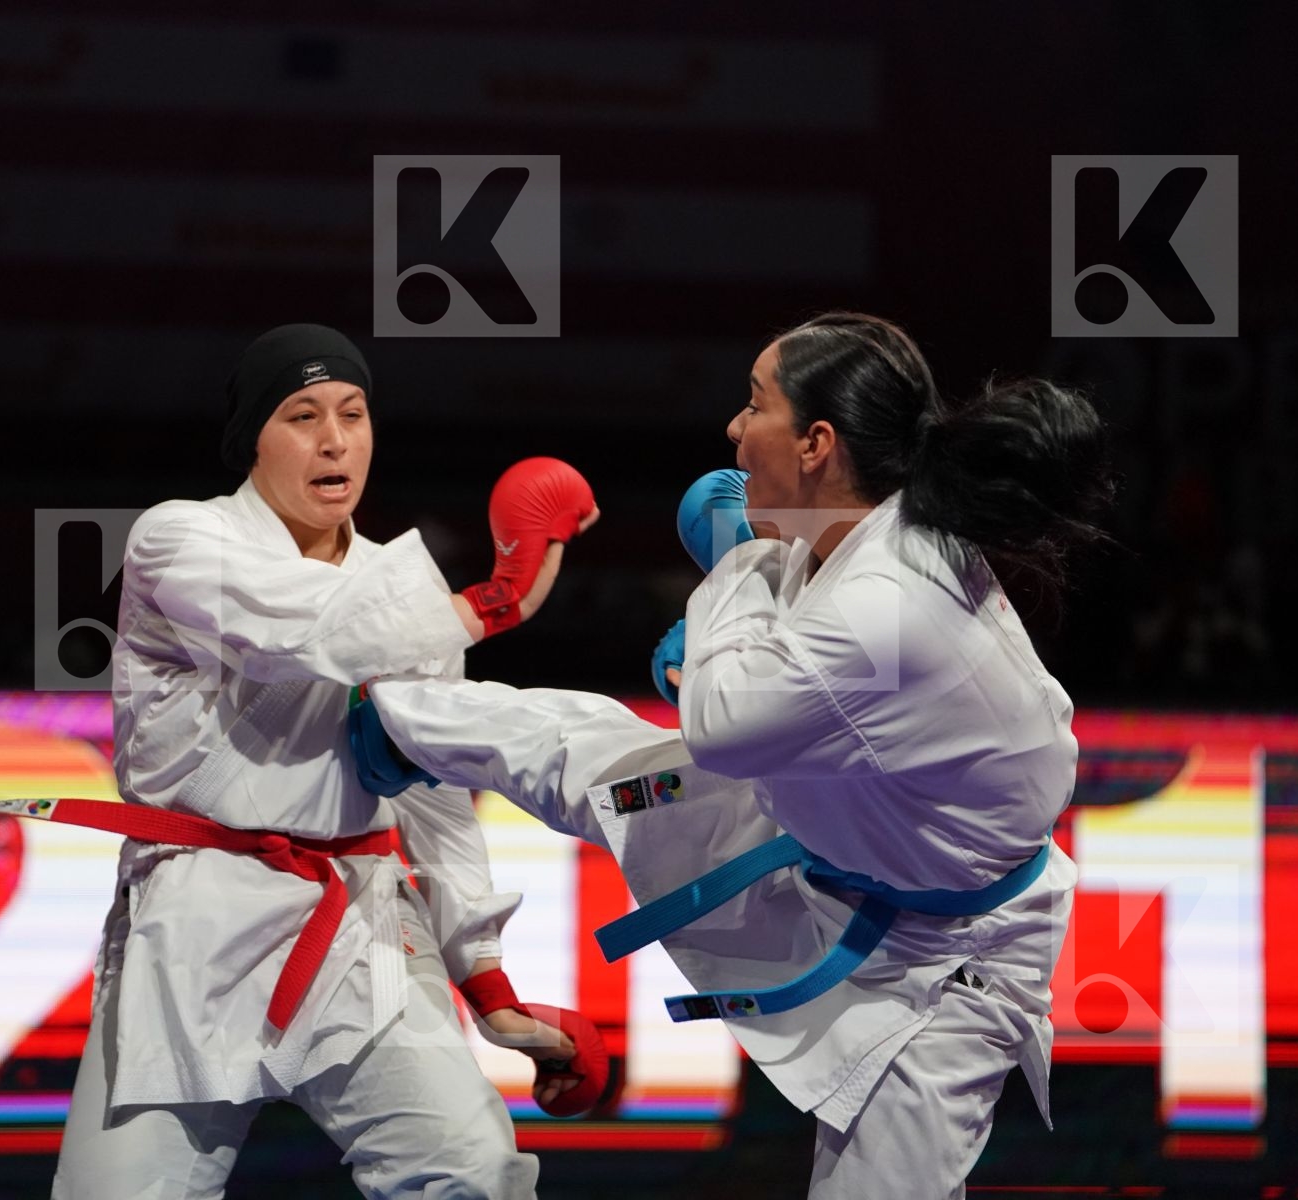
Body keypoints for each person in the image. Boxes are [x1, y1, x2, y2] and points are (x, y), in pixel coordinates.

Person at [351, 312, 1114, 1199]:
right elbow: (759, 685)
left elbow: (719, 721)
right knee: (601, 764)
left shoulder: (884, 602)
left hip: (948, 969)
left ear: (817, 443)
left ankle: (396, 720)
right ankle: (388, 719)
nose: (734, 430)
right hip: (850, 847)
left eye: (755, 406)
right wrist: (744, 596)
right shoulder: (882, 530)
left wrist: (733, 566)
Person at [35, 325, 601, 1199]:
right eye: (302, 416)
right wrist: (498, 598)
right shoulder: (176, 540)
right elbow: (300, 634)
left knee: (472, 1174)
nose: (335, 439)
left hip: (359, 924)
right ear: (252, 440)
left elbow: (437, 802)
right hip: (196, 926)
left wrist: (486, 980)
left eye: (353, 413)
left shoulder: (404, 595)